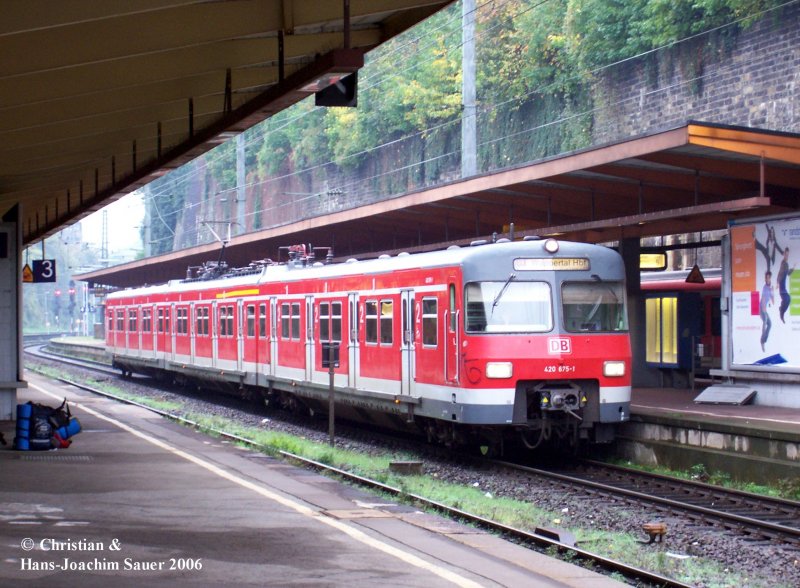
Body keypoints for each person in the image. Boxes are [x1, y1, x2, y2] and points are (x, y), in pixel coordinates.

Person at [776, 246, 795, 323]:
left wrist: (793, 268)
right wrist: (777, 282)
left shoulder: (786, 264)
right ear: (784, 254)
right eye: (786, 255)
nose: (787, 256)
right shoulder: (783, 263)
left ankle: (781, 309)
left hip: (784, 287)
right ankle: (781, 312)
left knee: (788, 299)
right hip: (781, 287)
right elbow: (780, 273)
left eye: (788, 255)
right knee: (787, 299)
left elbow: (788, 274)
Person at [760, 270, 773, 352]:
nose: (768, 279)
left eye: (769, 278)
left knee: (770, 324)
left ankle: (763, 340)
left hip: (765, 308)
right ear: (765, 279)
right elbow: (763, 300)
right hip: (761, 308)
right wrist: (764, 311)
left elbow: (773, 300)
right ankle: (762, 342)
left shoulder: (769, 287)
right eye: (766, 278)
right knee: (765, 322)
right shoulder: (765, 288)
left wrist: (772, 292)